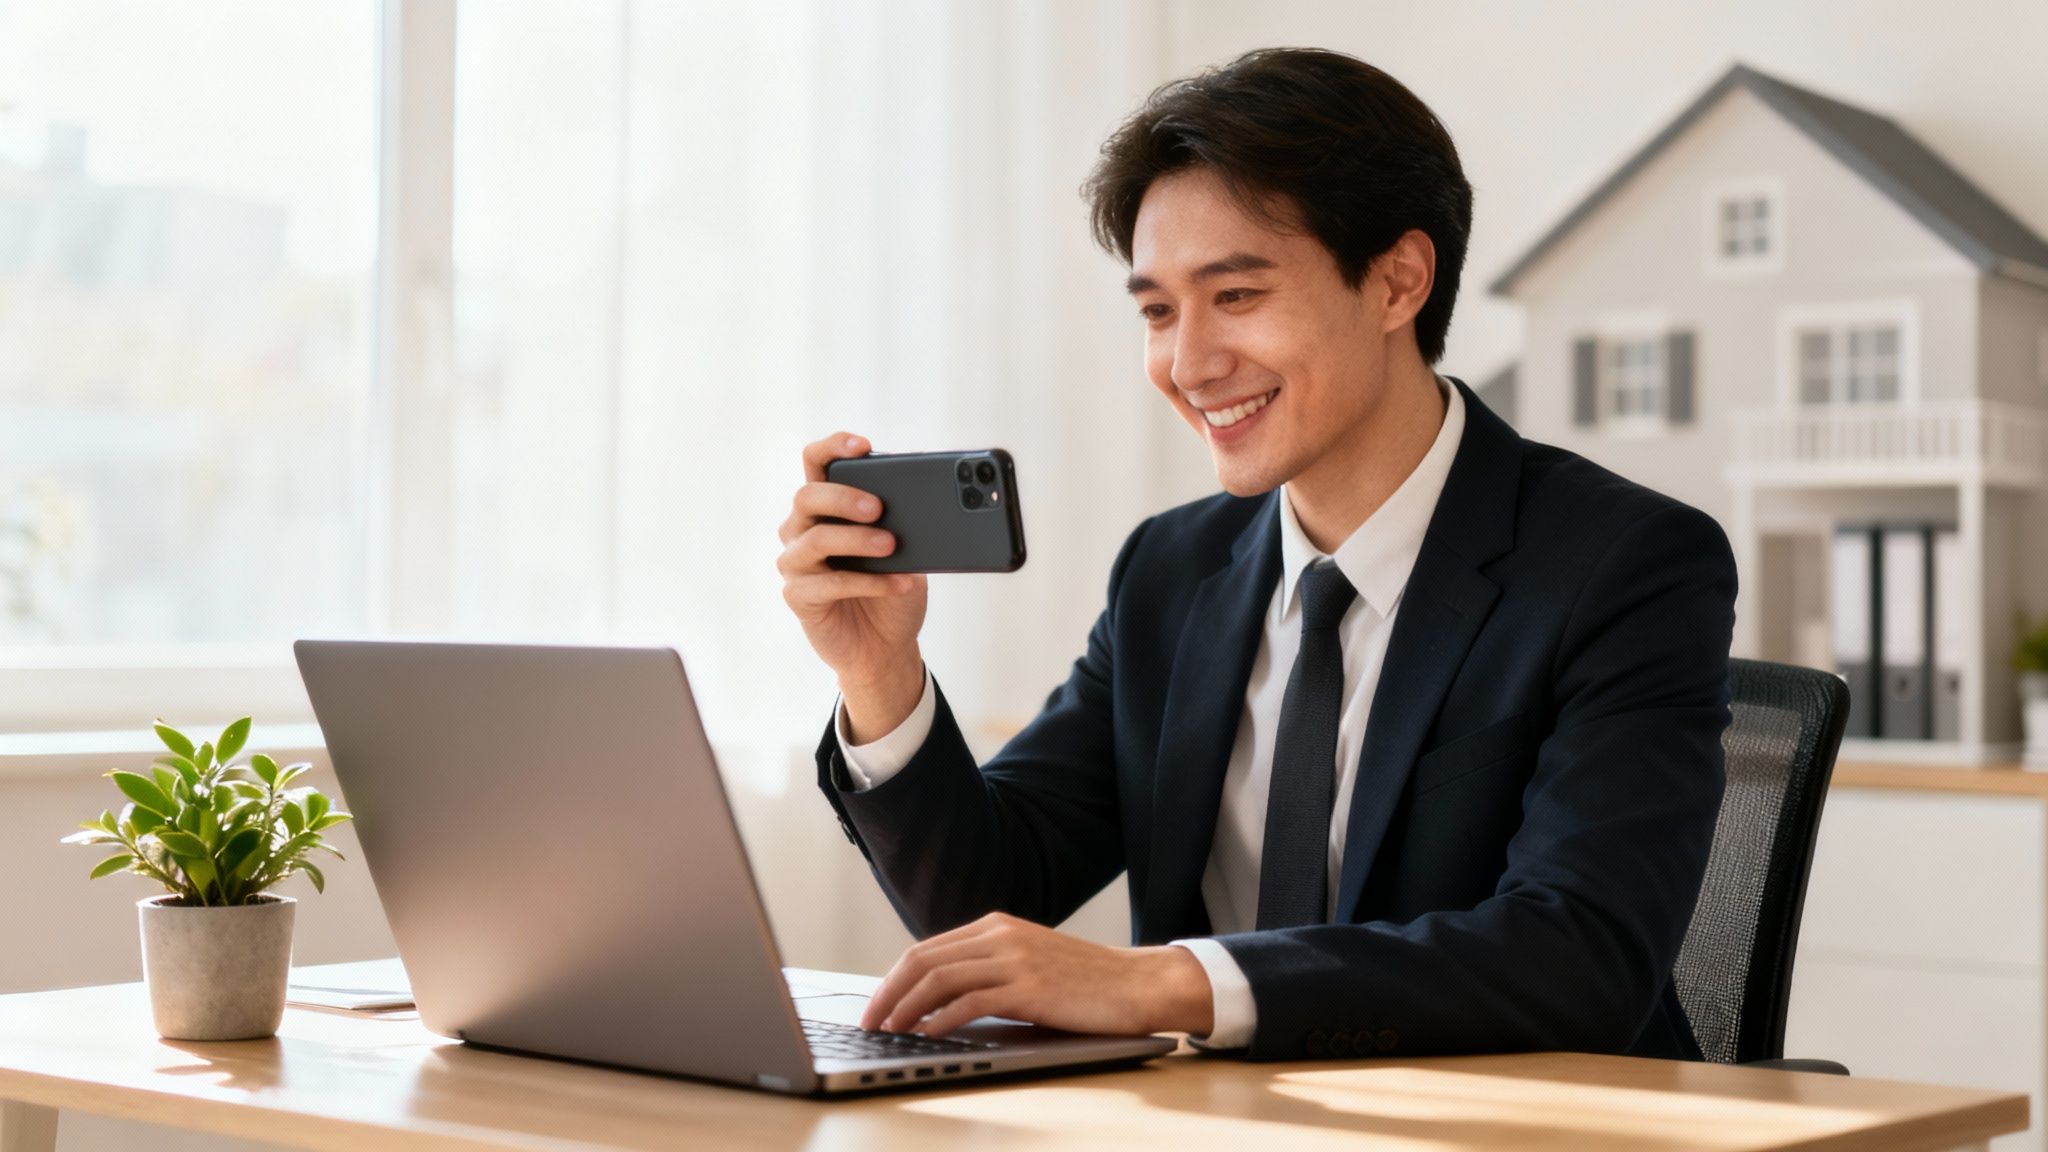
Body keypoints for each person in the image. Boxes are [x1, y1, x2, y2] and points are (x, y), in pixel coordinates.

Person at [775, 47, 1734, 1061]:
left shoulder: (1626, 563)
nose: (1187, 365)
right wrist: (876, 673)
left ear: (1398, 280)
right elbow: (986, 899)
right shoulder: (1170, 571)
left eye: (1234, 296)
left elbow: (1576, 958)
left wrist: (1167, 982)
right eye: (1156, 311)